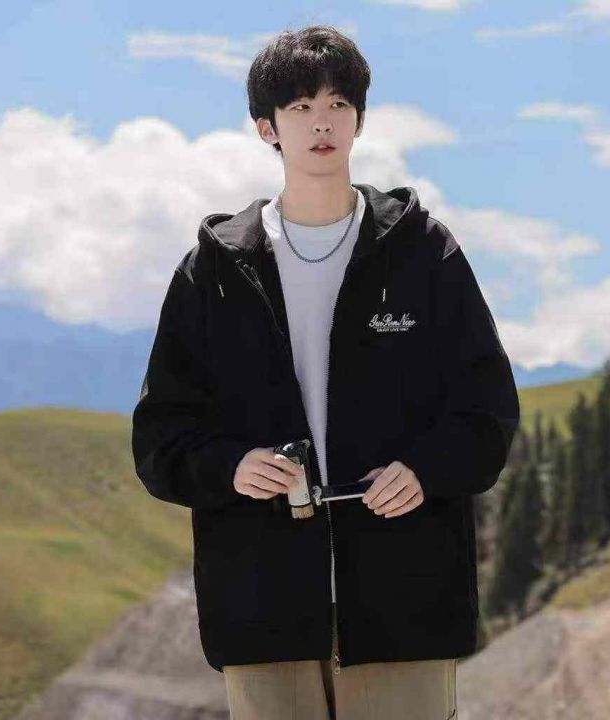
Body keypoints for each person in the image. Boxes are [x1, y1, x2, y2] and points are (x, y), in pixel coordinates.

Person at [131, 24, 520, 720]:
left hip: (405, 607)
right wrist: (231, 468)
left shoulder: (423, 252)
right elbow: (160, 439)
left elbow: (487, 411)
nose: (322, 123)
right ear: (266, 128)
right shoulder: (213, 271)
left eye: (339, 104)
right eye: (301, 106)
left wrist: (425, 470)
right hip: (262, 611)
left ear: (359, 121)